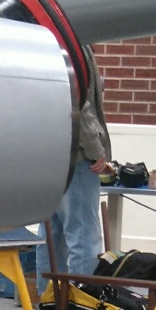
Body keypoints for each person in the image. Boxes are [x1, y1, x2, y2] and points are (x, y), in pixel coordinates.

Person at [37, 42, 112, 279]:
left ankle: (49, 299)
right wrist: (95, 148)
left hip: (51, 156)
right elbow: (78, 102)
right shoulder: (73, 46)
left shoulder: (49, 44)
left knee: (51, 237)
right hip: (77, 157)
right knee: (83, 236)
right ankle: (80, 300)